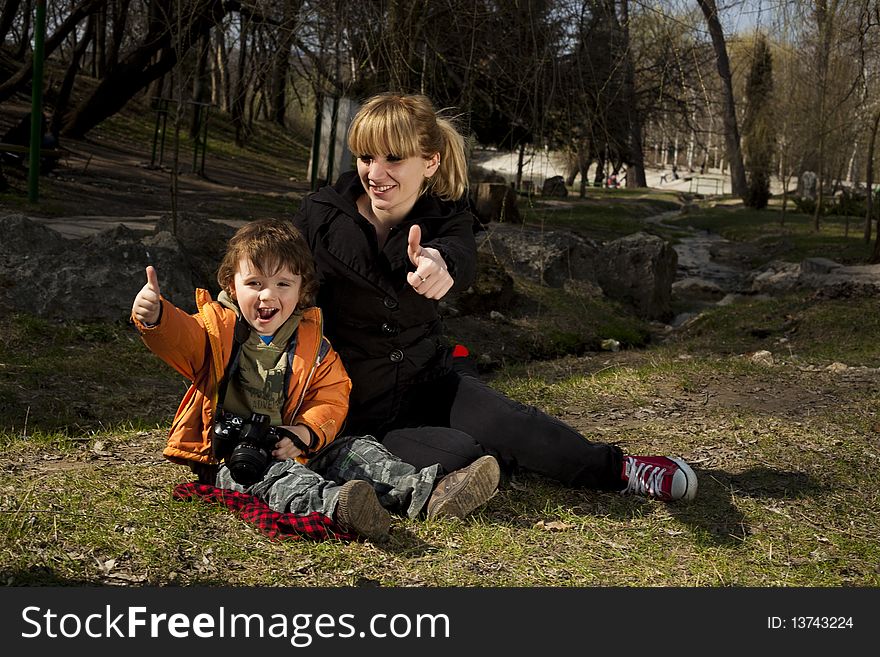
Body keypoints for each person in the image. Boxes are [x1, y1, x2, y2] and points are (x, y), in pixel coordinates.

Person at [292, 93, 697, 502]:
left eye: (393, 158)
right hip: (344, 400)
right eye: (365, 157)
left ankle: (621, 469)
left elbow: (460, 256)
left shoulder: (447, 216)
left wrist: (440, 263)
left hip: (424, 381)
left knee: (510, 423)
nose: (375, 173)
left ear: (429, 162)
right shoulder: (320, 214)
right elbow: (278, 275)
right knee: (464, 456)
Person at [131, 219, 500, 541]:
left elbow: (333, 395)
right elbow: (182, 337)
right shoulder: (216, 330)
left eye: (282, 284)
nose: (267, 295)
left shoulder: (312, 341)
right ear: (231, 283)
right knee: (284, 483)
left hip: (298, 443)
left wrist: (305, 433)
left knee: (358, 450)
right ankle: (343, 508)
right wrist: (157, 317)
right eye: (254, 282)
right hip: (235, 459)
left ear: (301, 289)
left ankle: (429, 493)